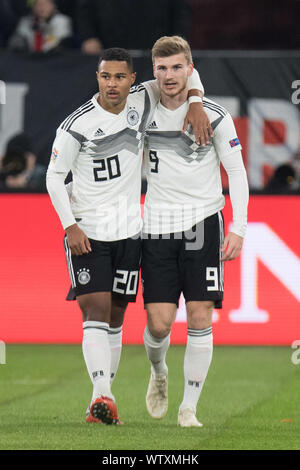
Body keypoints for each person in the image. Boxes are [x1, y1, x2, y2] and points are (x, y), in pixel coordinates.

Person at [46, 46, 211, 425]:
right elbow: (54, 177)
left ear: (133, 79)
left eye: (120, 76)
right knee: (95, 310)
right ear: (98, 78)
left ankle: (98, 403)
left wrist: (197, 102)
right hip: (87, 230)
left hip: (130, 233)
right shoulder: (77, 124)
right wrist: (68, 225)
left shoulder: (144, 98)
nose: (113, 84)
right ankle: (105, 394)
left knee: (117, 316)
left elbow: (186, 73)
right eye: (106, 76)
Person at [141, 36, 249, 427]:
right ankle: (159, 373)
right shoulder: (141, 106)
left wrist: (238, 227)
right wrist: (195, 98)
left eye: (177, 68)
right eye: (162, 68)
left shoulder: (216, 115)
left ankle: (189, 407)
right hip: (156, 226)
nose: (170, 76)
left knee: (200, 315)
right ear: (153, 71)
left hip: (203, 222)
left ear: (190, 68)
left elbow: (236, 171)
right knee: (158, 324)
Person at [77, 0, 191, 55]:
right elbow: (85, 10)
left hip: (155, 48)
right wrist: (89, 37)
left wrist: (177, 39)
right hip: (108, 47)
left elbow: (180, 12)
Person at [8, 0, 72, 53]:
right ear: (32, 7)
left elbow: (60, 43)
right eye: (38, 4)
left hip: (53, 59)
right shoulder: (25, 22)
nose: (42, 7)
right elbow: (15, 43)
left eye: (45, 4)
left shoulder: (61, 21)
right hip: (30, 59)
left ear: (53, 6)